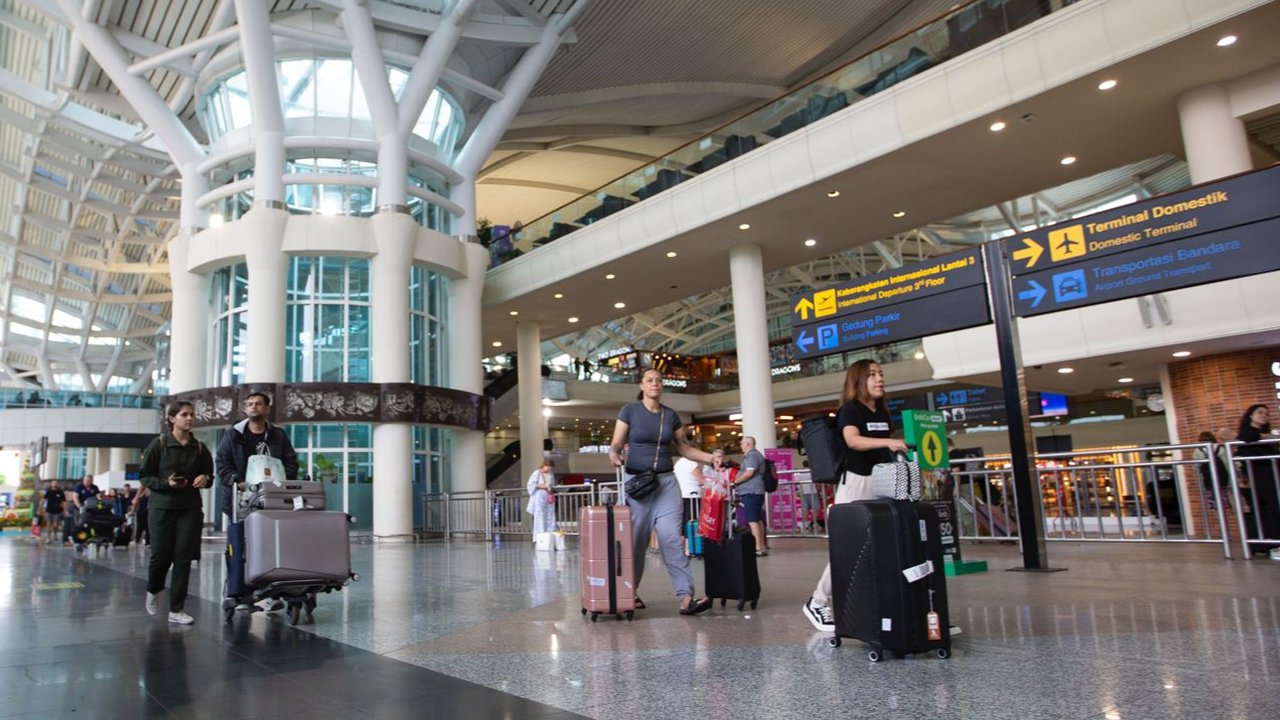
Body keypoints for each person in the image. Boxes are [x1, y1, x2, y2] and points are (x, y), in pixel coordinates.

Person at [802, 359, 909, 633]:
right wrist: (888, 442)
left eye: (881, 373)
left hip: (880, 481)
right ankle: (818, 601)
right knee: (847, 546)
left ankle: (868, 601)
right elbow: (853, 441)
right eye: (872, 375)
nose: (879, 379)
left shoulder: (883, 413)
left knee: (877, 543)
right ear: (858, 380)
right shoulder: (850, 411)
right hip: (856, 483)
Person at [608, 367, 723, 615]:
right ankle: (629, 592)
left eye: (659, 381)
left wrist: (710, 457)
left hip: (666, 484)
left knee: (672, 539)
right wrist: (613, 452)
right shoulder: (629, 411)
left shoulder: (670, 416)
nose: (655, 384)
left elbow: (685, 447)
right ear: (641, 385)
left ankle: (685, 596)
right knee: (636, 543)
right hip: (638, 485)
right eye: (650, 380)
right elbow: (617, 442)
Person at [216, 391, 299, 610]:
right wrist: (237, 481)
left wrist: (283, 481)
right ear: (245, 408)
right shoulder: (233, 435)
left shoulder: (278, 435)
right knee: (241, 547)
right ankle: (241, 593)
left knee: (274, 545)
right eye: (250, 404)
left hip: (272, 500)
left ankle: (274, 594)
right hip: (240, 499)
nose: (254, 407)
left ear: (267, 408)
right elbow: (222, 464)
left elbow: (291, 462)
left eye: (259, 404)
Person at [138, 401, 214, 624]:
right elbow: (145, 476)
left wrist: (205, 479)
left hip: (189, 508)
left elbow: (209, 476)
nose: (189, 418)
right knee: (160, 556)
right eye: (184, 415)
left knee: (183, 557)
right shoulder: (159, 444)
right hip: (162, 507)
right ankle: (153, 589)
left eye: (191, 415)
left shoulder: (200, 448)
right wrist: (165, 483)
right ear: (172, 418)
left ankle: (177, 609)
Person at [1236, 404, 1279, 558]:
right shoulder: (1248, 432)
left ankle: (1272, 543)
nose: (1264, 416)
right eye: (1260, 413)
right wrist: (1269, 437)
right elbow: (1247, 438)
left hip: (1269, 476)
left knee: (1271, 509)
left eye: (1266, 413)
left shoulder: (1264, 433)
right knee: (1270, 508)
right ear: (1250, 416)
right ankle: (1267, 543)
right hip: (1258, 478)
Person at [733, 436, 769, 557]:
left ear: (748, 444)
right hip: (755, 491)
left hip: (751, 491)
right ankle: (761, 546)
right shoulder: (756, 455)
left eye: (742, 443)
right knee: (757, 519)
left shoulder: (752, 456)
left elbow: (749, 473)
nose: (741, 446)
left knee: (752, 520)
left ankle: (757, 548)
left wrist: (736, 481)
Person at [673, 455, 705, 554]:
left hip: (681, 495)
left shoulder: (678, 462)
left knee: (683, 522)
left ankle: (680, 548)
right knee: (692, 521)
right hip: (693, 496)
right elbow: (700, 481)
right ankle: (690, 548)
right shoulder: (692, 463)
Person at [525, 459, 558, 537]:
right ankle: (540, 536)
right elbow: (530, 484)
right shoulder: (537, 473)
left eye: (550, 468)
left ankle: (549, 535)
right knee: (540, 515)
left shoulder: (550, 474)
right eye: (548, 467)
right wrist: (540, 485)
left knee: (550, 515)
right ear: (544, 465)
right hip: (539, 496)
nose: (549, 469)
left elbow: (552, 484)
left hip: (548, 495)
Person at [41, 480, 65, 546]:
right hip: (49, 511)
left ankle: (55, 533)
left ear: (57, 484)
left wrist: (65, 510)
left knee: (55, 525)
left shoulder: (60, 492)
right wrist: (41, 508)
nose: (54, 484)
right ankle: (48, 537)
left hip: (57, 511)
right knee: (48, 524)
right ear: (51, 484)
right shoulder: (48, 492)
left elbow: (63, 501)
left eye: (56, 483)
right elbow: (43, 500)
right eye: (53, 483)